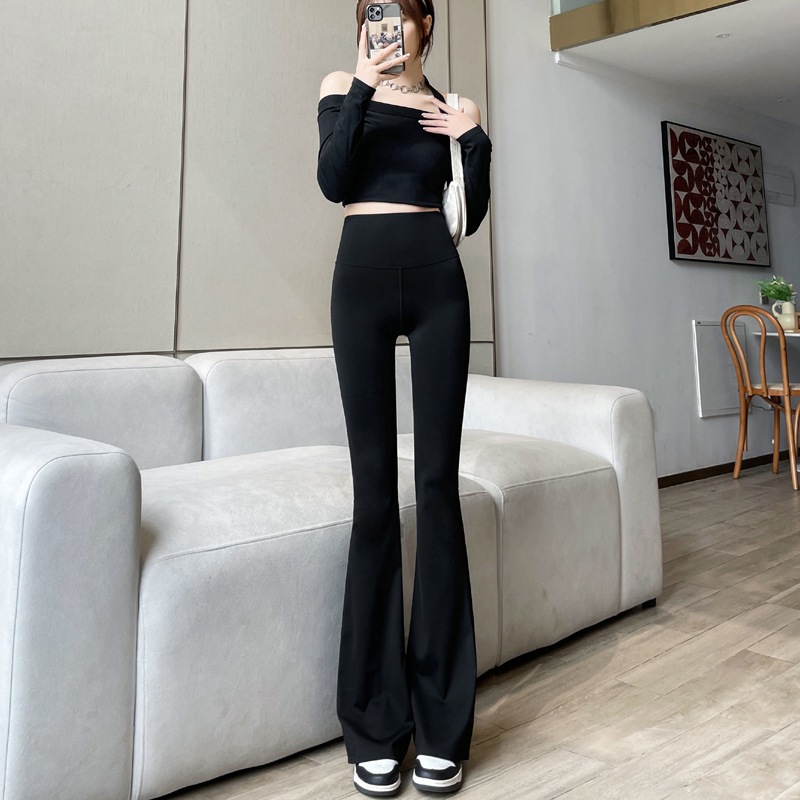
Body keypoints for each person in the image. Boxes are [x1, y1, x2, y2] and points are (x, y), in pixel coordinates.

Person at [316, 0, 491, 795]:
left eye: (398, 13)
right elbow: (333, 179)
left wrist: (475, 139)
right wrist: (361, 85)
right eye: (372, 13)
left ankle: (443, 725)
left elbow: (469, 217)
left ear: (425, 24)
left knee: (437, 488)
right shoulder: (338, 85)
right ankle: (374, 721)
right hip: (359, 279)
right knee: (373, 496)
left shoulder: (450, 105)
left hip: (436, 283)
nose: (385, 27)